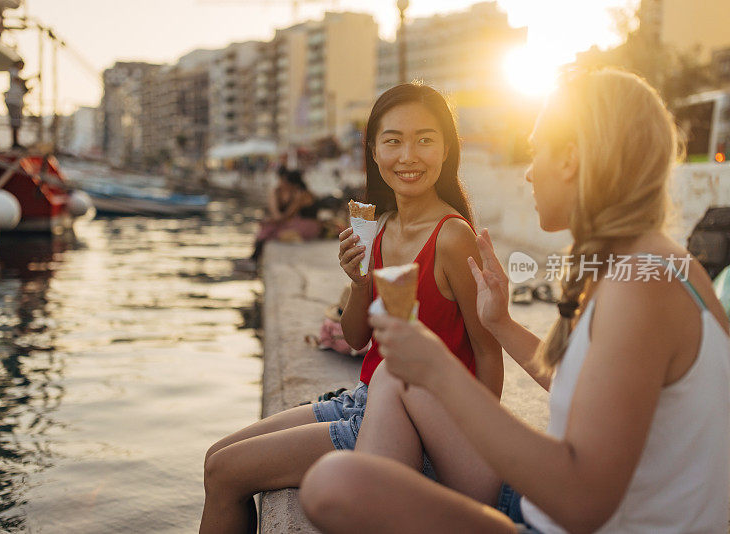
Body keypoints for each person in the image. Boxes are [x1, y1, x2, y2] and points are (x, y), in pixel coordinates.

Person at [299, 68, 730, 533]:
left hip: (558, 521)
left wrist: (439, 370)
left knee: (336, 483)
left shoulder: (639, 290)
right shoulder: (668, 267)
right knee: (389, 383)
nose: (527, 170)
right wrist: (501, 323)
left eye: (535, 149)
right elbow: (595, 389)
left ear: (569, 159)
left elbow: (582, 502)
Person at [200, 83, 503, 533]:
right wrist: (360, 283)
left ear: (446, 150)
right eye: (393, 140)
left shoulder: (453, 237)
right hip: (363, 399)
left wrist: (463, 445)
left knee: (226, 475)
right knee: (213, 459)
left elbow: (488, 350)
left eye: (425, 139)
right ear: (374, 151)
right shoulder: (380, 229)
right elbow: (359, 338)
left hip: (413, 421)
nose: (408, 155)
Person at [249, 167, 321, 263]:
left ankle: (254, 258)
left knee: (271, 230)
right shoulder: (299, 192)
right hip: (304, 223)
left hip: (308, 226)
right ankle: (254, 257)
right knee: (270, 228)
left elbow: (287, 215)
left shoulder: (300, 194)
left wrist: (270, 221)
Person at [4, 61, 29, 149]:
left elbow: (23, 89)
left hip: (17, 102)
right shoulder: (13, 71)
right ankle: (15, 143)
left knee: (17, 123)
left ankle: (16, 142)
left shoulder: (17, 74)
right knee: (15, 122)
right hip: (13, 102)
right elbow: (18, 81)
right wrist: (33, 77)